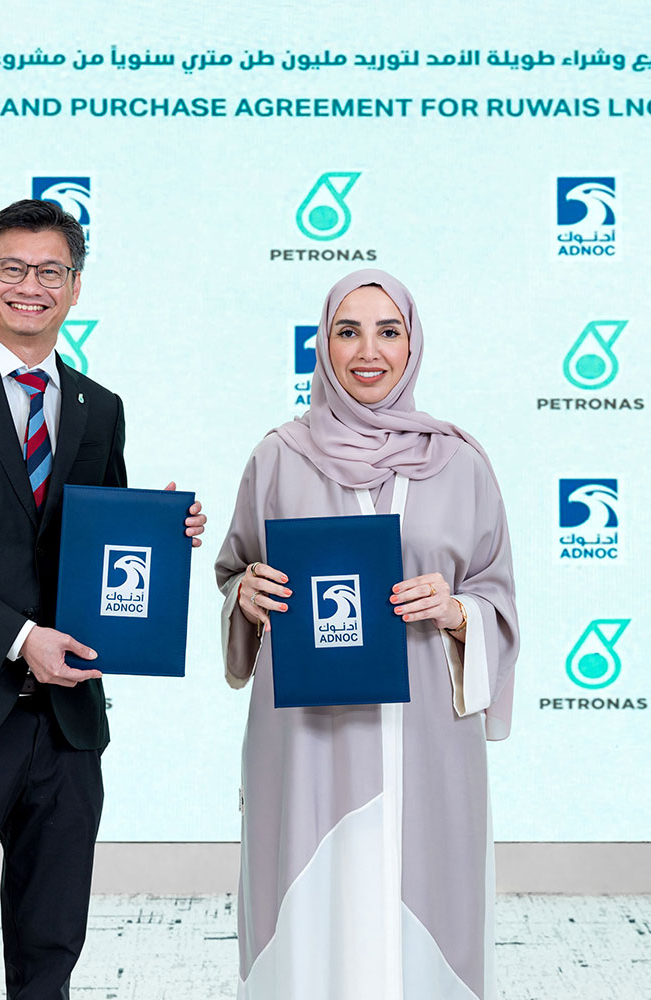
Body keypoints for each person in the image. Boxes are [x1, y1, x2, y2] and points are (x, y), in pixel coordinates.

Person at [0, 199, 206, 1000]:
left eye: (50, 271)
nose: (31, 286)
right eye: (13, 269)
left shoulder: (99, 407)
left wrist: (164, 533)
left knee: (50, 952)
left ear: (75, 287)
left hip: (66, 728)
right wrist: (21, 637)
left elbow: (98, 553)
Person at [214, 269, 518, 1000]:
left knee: (423, 923)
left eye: (388, 330)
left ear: (412, 345)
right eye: (347, 331)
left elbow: (497, 594)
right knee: (311, 926)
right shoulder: (278, 455)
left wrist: (455, 612)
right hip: (308, 743)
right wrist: (246, 597)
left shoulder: (461, 462)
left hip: (426, 744)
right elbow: (235, 572)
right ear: (324, 346)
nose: (368, 350)